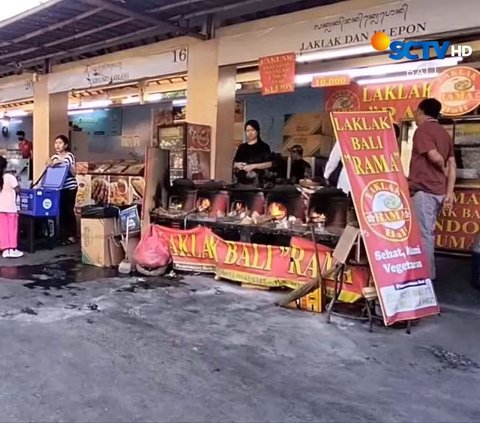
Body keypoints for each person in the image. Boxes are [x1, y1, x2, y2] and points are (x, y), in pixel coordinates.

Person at [409, 98, 456, 280]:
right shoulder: (444, 134)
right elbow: (453, 163)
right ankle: (425, 274)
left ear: (420, 111)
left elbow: (435, 156)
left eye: (415, 111)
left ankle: (425, 278)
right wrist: (449, 191)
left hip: (424, 191)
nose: (415, 115)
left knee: (423, 235)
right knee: (427, 232)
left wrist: (441, 167)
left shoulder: (423, 131)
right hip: (438, 192)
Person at [46, 135, 78, 245]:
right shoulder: (54, 157)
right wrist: (49, 163)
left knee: (69, 210)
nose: (57, 145)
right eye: (56, 143)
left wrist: (64, 164)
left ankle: (72, 235)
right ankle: (63, 235)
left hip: (70, 187)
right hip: (59, 188)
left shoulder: (69, 156)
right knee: (61, 211)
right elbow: (50, 168)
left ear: (66, 145)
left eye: (60, 143)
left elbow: (74, 172)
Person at [233, 120, 272, 187]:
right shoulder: (242, 147)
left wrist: (253, 166)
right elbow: (234, 163)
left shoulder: (264, 147)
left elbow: (269, 164)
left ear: (257, 131)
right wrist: (238, 165)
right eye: (247, 131)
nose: (250, 133)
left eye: (252, 130)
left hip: (258, 182)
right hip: (242, 183)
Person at [0, 156, 23, 258]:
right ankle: (12, 249)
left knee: (3, 229)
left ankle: (5, 249)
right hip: (10, 208)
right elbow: (18, 190)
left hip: (0, 208)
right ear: (5, 166)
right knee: (12, 228)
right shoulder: (9, 177)